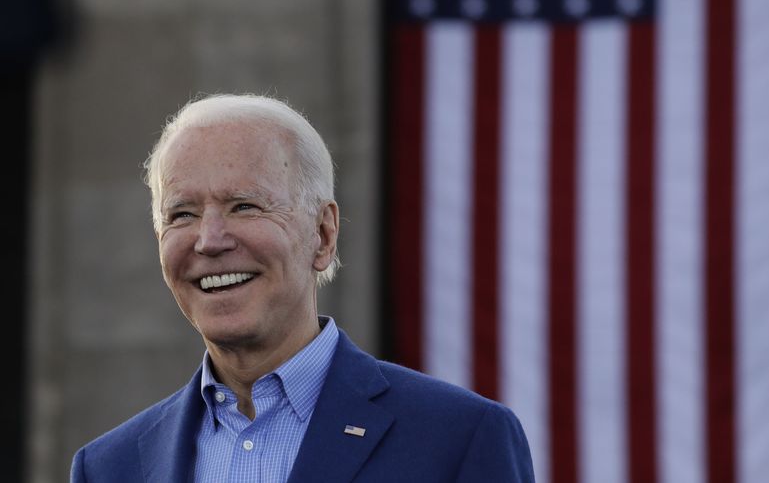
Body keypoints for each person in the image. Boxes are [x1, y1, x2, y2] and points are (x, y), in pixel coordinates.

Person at [70, 94, 534, 482]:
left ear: (324, 235)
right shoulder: (109, 468)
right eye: (182, 214)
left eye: (244, 206)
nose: (209, 240)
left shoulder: (458, 438)